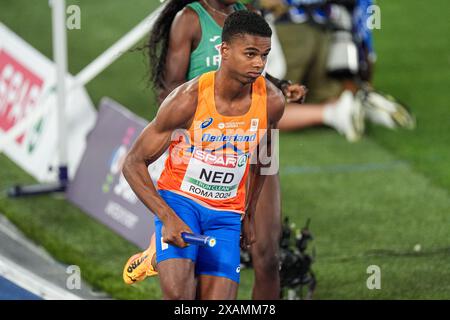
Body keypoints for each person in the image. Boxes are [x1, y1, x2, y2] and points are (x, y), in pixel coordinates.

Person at [123, 0, 299, 299]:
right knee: (181, 297)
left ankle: (160, 254)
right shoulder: (187, 99)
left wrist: (248, 211)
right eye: (251, 54)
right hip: (182, 203)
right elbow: (132, 163)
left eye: (264, 56)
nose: (259, 64)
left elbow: (262, 161)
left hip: (226, 213)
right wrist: (166, 216)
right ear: (224, 51)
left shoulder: (271, 101)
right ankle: (157, 253)